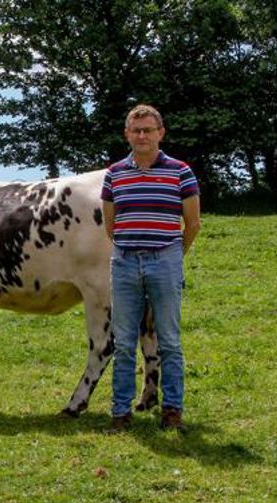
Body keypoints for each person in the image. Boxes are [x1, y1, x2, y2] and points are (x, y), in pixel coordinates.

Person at [101, 104, 201, 433]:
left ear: (161, 133)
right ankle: (120, 412)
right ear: (127, 135)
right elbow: (110, 224)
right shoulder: (115, 173)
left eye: (148, 129)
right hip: (125, 260)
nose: (142, 135)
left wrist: (173, 254)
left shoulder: (180, 171)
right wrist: (131, 248)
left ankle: (172, 410)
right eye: (136, 130)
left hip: (165, 258)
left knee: (169, 341)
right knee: (124, 341)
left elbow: (193, 222)